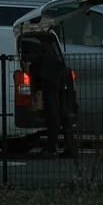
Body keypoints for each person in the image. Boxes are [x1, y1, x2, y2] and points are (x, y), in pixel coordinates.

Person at [25, 28, 77, 158]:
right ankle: (70, 147)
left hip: (50, 79)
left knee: (53, 111)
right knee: (63, 111)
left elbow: (36, 77)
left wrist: (35, 89)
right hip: (59, 75)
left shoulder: (41, 60)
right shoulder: (55, 58)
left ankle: (51, 147)